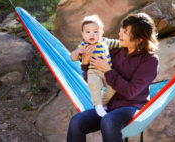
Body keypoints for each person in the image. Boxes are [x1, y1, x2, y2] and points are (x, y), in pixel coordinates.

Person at [67, 13, 159, 142]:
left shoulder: (150, 61)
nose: (120, 34)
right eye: (122, 29)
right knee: (77, 121)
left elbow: (131, 92)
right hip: (109, 107)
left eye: (125, 32)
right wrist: (85, 64)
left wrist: (108, 70)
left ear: (139, 39)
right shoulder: (112, 51)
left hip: (133, 107)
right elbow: (92, 79)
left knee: (108, 120)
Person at [71, 15, 120, 117]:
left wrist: (131, 43)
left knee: (113, 87)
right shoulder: (83, 45)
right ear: (82, 34)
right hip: (93, 72)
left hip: (107, 72)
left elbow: (120, 43)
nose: (91, 34)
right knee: (94, 86)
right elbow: (73, 58)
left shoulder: (106, 42)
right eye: (88, 32)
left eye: (96, 31)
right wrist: (77, 51)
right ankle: (98, 106)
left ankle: (102, 104)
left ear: (101, 32)